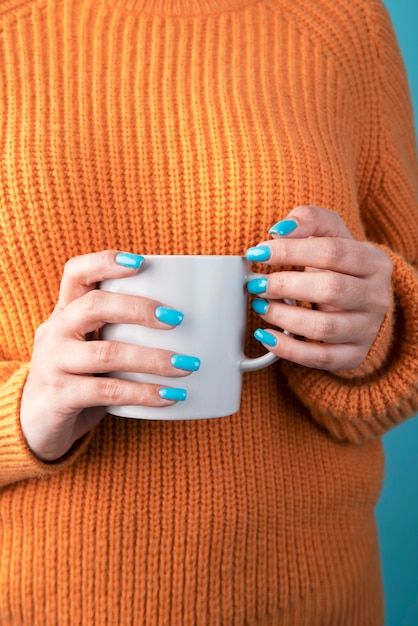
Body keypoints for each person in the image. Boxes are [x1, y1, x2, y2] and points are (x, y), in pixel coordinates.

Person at [0, 0, 417, 623]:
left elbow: (400, 298)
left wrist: (374, 327)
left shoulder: (343, 21)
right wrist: (24, 413)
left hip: (309, 594)